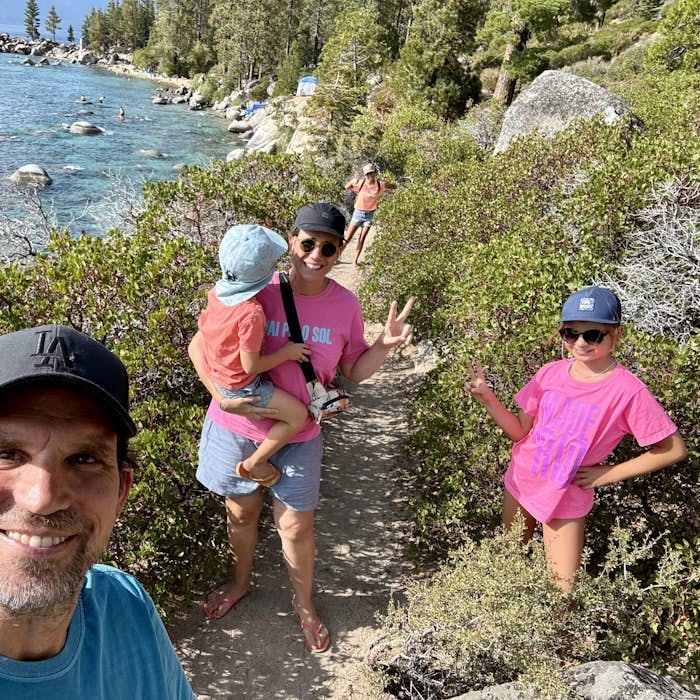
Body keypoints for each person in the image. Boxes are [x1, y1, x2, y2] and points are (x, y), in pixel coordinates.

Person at [188, 203, 414, 651]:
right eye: (307, 243)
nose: (317, 254)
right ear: (291, 241)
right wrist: (218, 394)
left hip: (300, 435)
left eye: (328, 247)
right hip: (238, 427)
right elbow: (200, 347)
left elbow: (353, 367)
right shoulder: (254, 289)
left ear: (339, 250)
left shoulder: (346, 304)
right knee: (240, 513)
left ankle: (303, 603)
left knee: (295, 528)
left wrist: (384, 345)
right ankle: (239, 584)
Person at [0, 324, 195, 698]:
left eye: (84, 458)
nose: (42, 497)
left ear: (122, 491)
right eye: (7, 453)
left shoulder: (124, 604)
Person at [464, 286, 688, 592]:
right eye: (570, 334)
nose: (580, 343)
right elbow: (519, 432)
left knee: (564, 590)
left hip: (567, 495)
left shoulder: (628, 390)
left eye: (592, 335)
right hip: (522, 480)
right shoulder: (549, 373)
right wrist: (488, 399)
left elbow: (672, 448)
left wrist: (605, 474)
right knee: (510, 565)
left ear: (616, 334)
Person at [196, 223, 310, 487]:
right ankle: (254, 463)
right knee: (297, 416)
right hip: (243, 389)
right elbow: (251, 366)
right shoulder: (251, 313)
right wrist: (287, 352)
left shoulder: (215, 294)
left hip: (220, 380)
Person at [344, 163, 396, 265]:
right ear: (365, 175)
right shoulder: (361, 183)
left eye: (372, 173)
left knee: (362, 239)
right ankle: (337, 256)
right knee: (347, 238)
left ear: (375, 173)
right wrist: (352, 181)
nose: (370, 176)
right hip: (358, 213)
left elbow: (393, 186)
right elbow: (347, 186)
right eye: (368, 174)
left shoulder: (380, 185)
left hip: (369, 215)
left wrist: (391, 187)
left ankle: (355, 261)